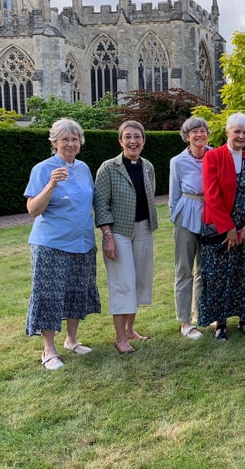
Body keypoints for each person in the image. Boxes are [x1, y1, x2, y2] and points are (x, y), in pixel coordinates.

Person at [24, 118, 101, 370]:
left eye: (74, 139)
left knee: (77, 291)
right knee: (49, 295)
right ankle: (48, 350)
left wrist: (94, 239)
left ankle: (72, 340)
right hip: (52, 245)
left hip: (82, 243)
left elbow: (87, 205)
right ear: (54, 142)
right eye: (65, 139)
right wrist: (51, 185)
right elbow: (33, 210)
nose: (70, 143)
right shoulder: (43, 169)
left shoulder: (83, 168)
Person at [94, 120, 158, 354]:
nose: (133, 141)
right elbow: (101, 203)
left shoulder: (148, 166)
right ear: (120, 141)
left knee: (139, 281)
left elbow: (148, 194)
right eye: (128, 137)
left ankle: (131, 330)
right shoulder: (108, 168)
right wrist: (107, 236)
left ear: (143, 140)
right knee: (122, 284)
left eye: (137, 137)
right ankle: (120, 338)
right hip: (118, 232)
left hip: (143, 229)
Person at [200, 112, 245, 340]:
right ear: (227, 132)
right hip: (221, 229)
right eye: (237, 131)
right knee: (220, 275)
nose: (241, 136)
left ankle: (244, 320)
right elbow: (212, 194)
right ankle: (221, 323)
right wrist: (228, 228)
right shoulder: (213, 157)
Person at [168, 117, 211, 341]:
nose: (199, 135)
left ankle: (202, 313)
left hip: (210, 214)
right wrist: (177, 217)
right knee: (184, 269)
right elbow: (173, 194)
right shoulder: (178, 161)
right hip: (186, 214)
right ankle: (185, 321)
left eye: (202, 131)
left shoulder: (214, 155)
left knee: (205, 268)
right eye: (194, 132)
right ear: (187, 136)